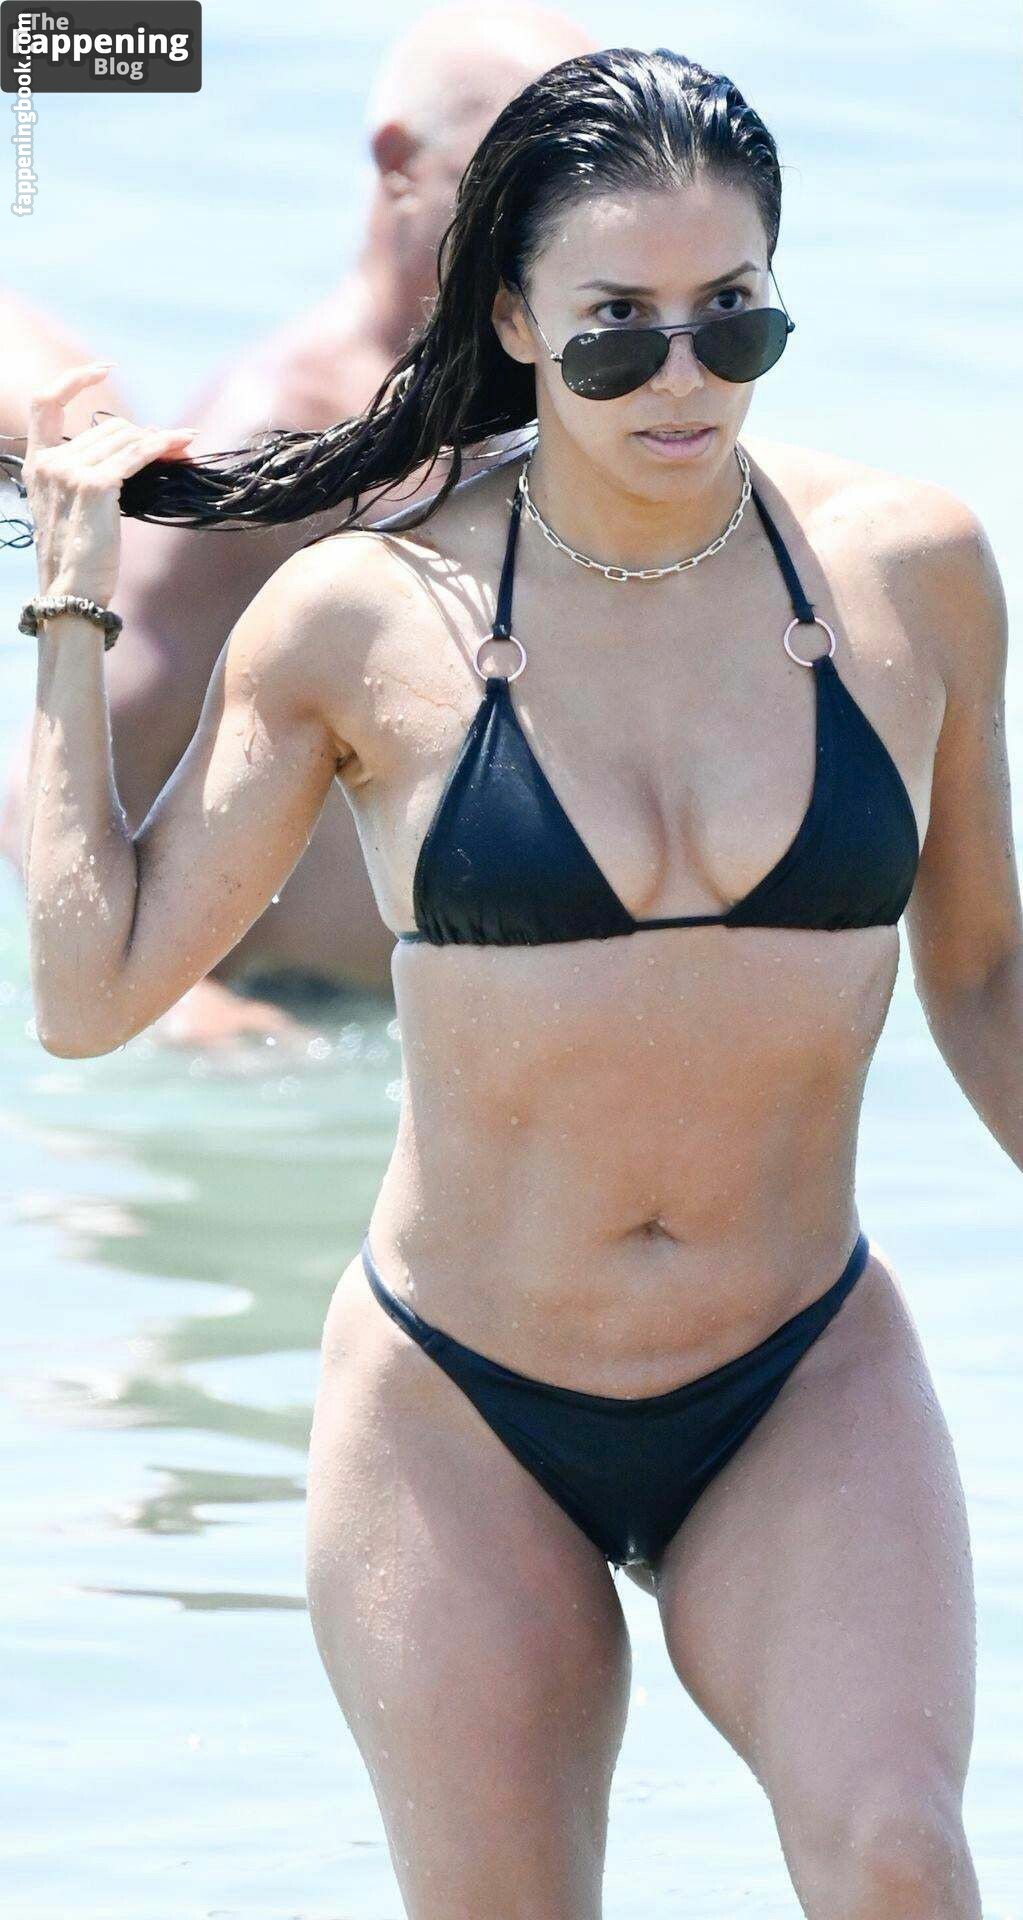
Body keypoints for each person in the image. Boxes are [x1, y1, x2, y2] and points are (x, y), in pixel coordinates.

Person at [16, 46, 1020, 1920]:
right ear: (509, 317)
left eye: (734, 317)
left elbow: (980, 973)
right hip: (459, 1400)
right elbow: (91, 994)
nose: (683, 377)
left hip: (796, 1368)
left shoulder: (907, 579)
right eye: (617, 328)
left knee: (898, 1855)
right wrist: (66, 614)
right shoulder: (365, 612)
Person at [1, 3, 595, 1047]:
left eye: (588, 174)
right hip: (289, 1030)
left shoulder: (552, 406)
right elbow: (56, 767)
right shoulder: (287, 428)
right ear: (402, 164)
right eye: (526, 171)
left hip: (438, 1023)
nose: (569, 211)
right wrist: (187, 1007)